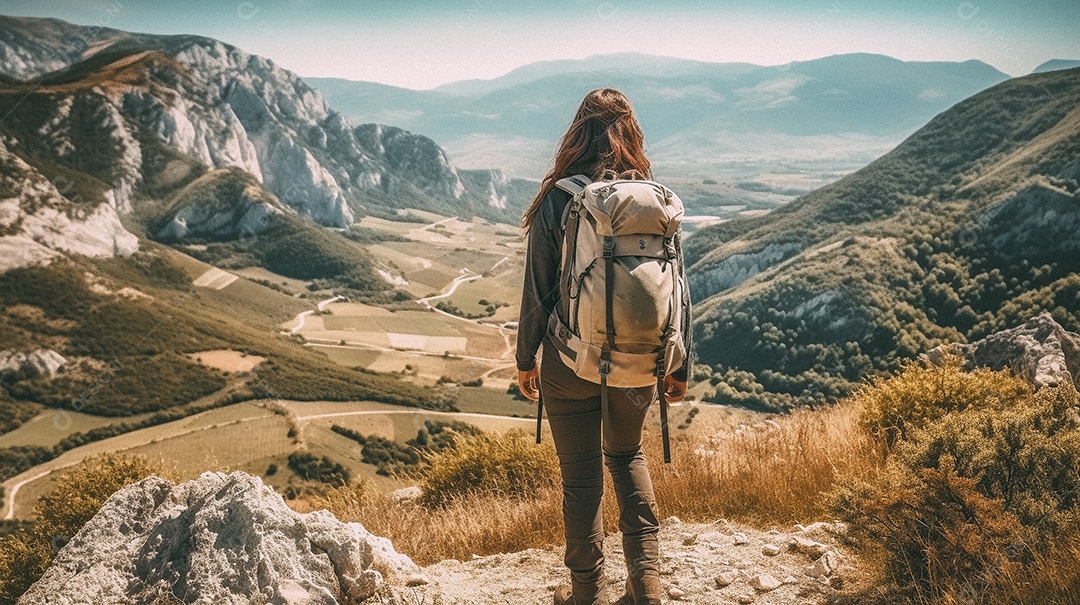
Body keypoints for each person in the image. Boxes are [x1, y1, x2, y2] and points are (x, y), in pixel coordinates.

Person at [516, 88, 691, 605]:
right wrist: (677, 366)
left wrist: (526, 359)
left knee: (581, 478)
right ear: (632, 133)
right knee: (627, 455)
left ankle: (586, 592)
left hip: (570, 362)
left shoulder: (559, 198)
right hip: (640, 364)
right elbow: (679, 290)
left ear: (577, 132)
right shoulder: (655, 203)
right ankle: (646, 587)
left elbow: (537, 291)